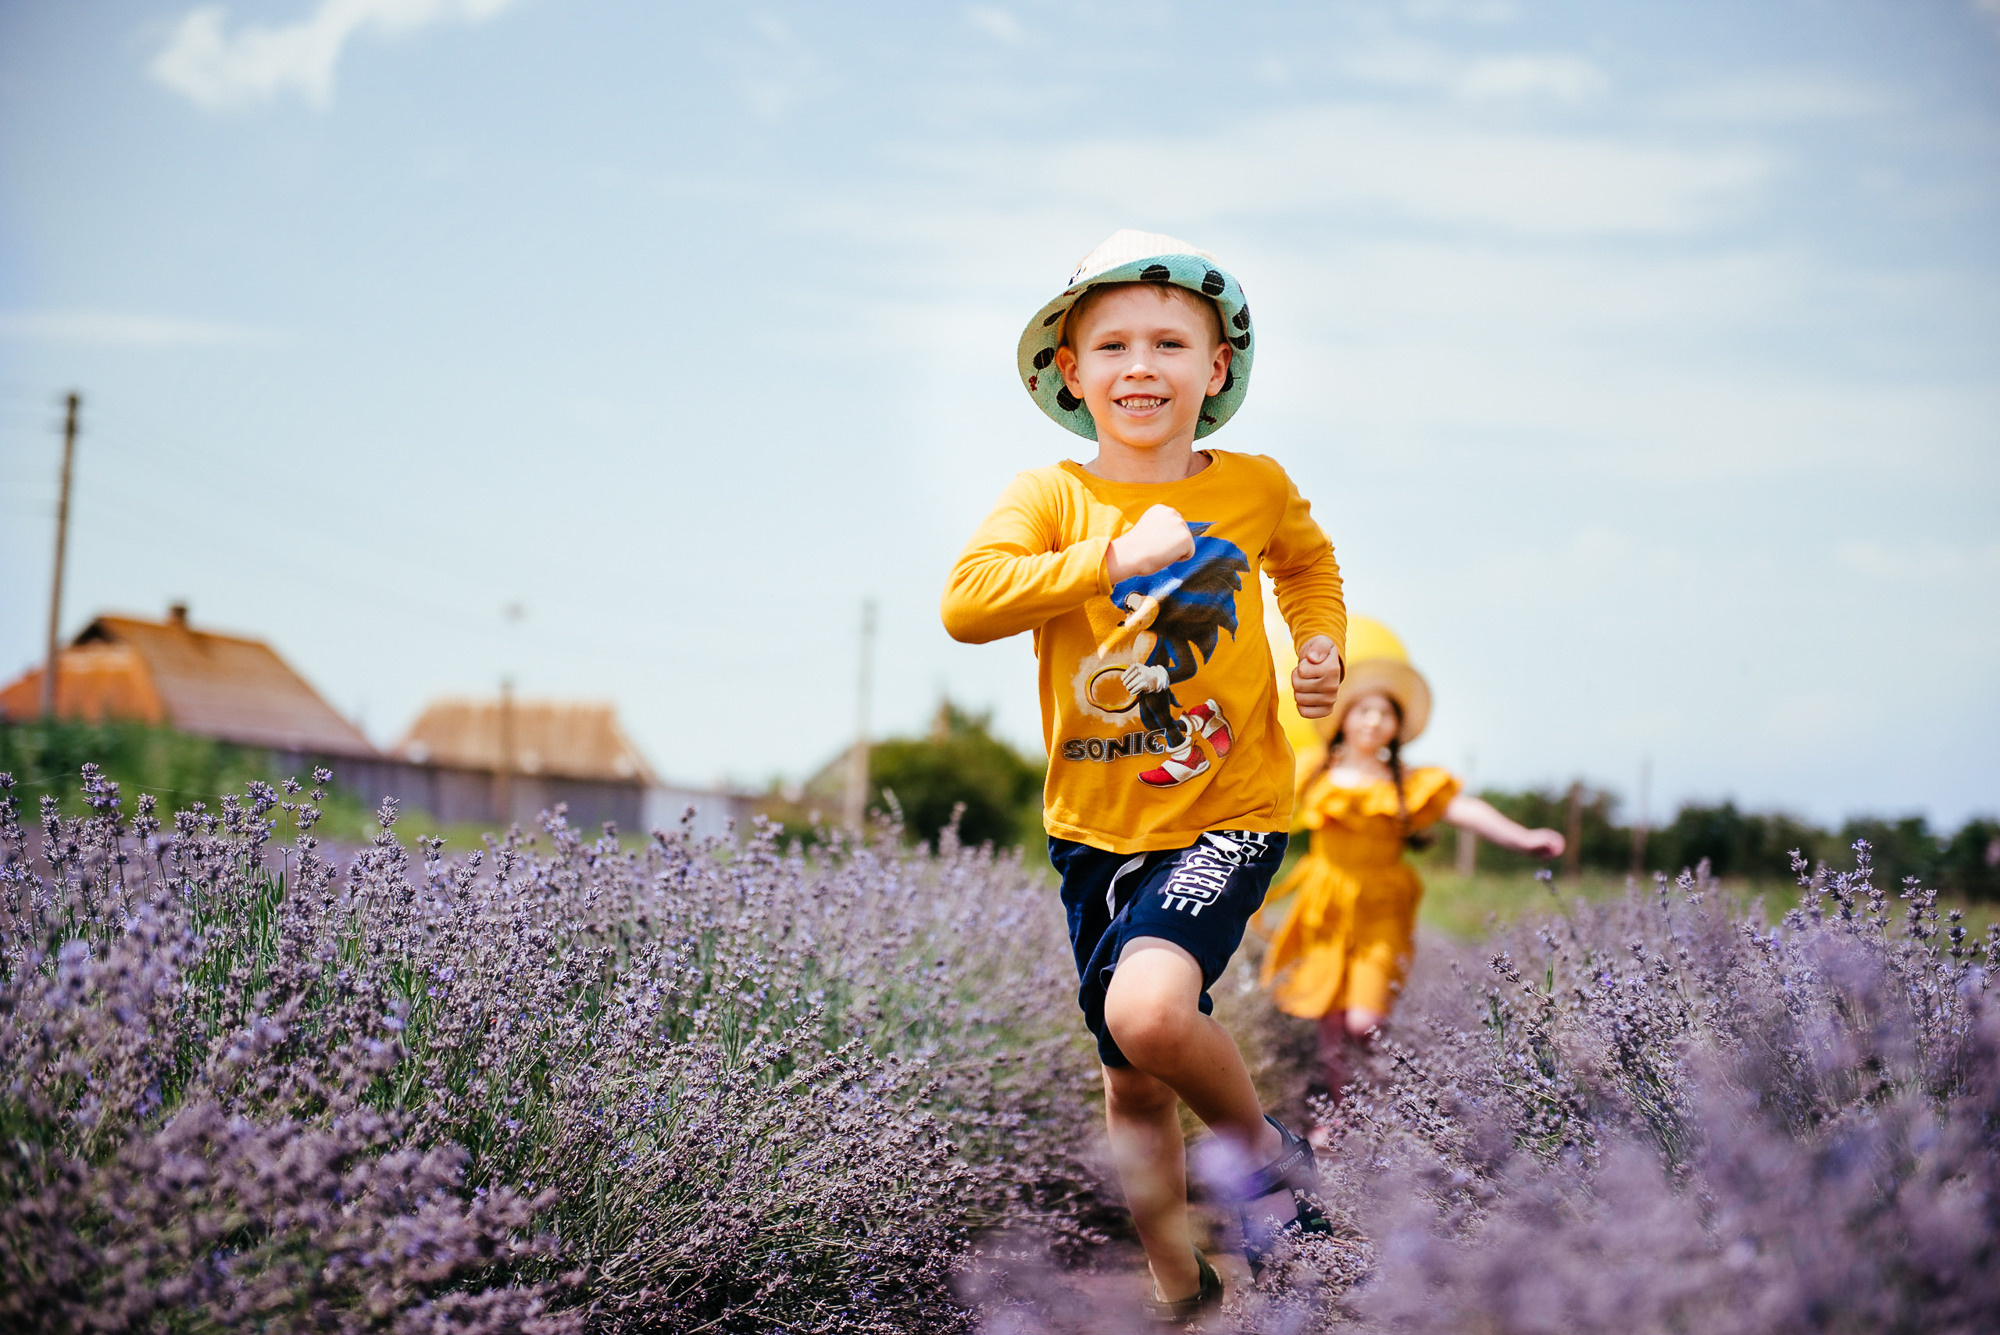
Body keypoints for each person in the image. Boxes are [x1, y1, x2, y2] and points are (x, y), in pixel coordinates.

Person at [941, 230, 1348, 1324]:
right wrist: (1106, 561)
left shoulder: (1253, 488)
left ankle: (1267, 1156)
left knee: (1153, 1016)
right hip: (1089, 829)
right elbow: (967, 602)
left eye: (1169, 342)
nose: (1139, 365)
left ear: (1215, 368)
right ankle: (1182, 1289)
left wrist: (1319, 646)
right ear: (1068, 372)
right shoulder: (1052, 497)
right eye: (1110, 343)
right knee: (1125, 1072)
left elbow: (1307, 566)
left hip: (1229, 809)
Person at [1258, 617, 1564, 1104]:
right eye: (1363, 711)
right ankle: (1339, 1116)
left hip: (1382, 907)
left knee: (1365, 1021)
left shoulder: (1407, 781)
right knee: (1330, 1021)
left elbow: (1464, 808)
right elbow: (1260, 805)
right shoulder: (1316, 772)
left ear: (1398, 727)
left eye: (1385, 714)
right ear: (1344, 718)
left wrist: (1523, 837)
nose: (1373, 721)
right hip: (1326, 904)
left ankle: (1379, 1097)